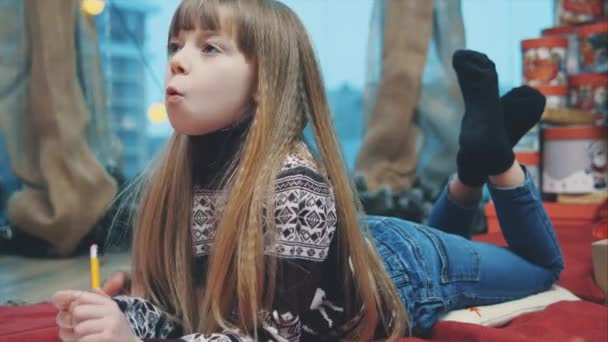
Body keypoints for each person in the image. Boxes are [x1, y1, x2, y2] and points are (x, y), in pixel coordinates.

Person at [50, 0, 561, 341]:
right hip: (343, 252)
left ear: (263, 82)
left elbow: (276, 334)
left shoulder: (295, 186)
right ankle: (471, 166)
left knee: (542, 269)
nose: (177, 62)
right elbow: (181, 311)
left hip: (405, 268)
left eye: (209, 48)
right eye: (175, 46)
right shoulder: (184, 182)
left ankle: (494, 161)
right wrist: (122, 319)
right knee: (448, 237)